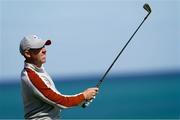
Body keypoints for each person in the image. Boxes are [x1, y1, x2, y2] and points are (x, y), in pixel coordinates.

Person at [19, 34, 98, 119]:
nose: (44, 50)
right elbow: (61, 101)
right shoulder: (31, 76)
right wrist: (84, 96)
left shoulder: (38, 70)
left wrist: (83, 98)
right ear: (27, 53)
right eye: (38, 48)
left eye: (44, 46)